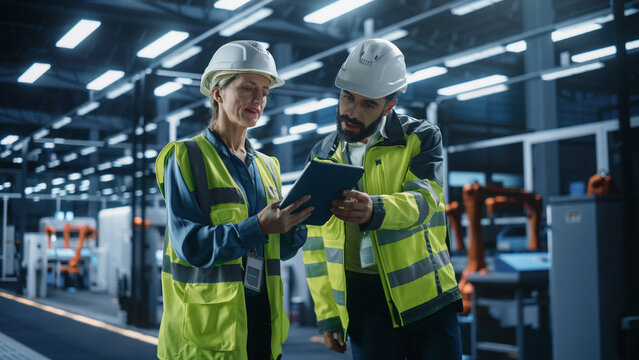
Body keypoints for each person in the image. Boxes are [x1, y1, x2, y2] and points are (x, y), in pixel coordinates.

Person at [302, 38, 462, 359]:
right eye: (348, 98)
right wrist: (327, 313)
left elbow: (426, 199)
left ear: (390, 105)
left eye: (368, 104)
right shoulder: (322, 155)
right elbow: (315, 241)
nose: (352, 112)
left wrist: (375, 209)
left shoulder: (420, 137)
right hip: (364, 305)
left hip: (427, 299)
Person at [155, 40, 313, 360]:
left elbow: (279, 250)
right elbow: (191, 246)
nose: (259, 99)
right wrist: (257, 226)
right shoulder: (185, 157)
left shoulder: (269, 166)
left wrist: (298, 222)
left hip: (262, 330)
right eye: (248, 88)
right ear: (218, 93)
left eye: (265, 92)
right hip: (205, 338)